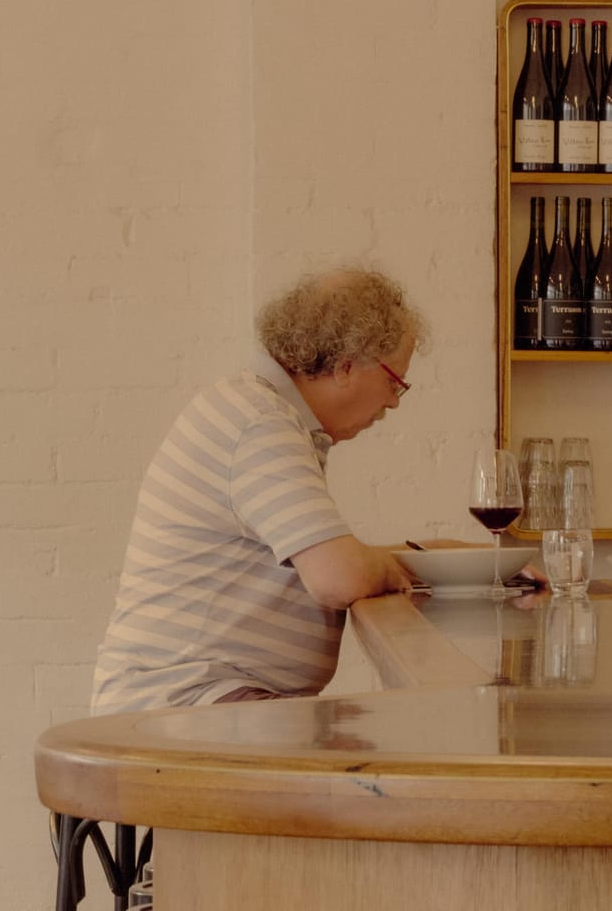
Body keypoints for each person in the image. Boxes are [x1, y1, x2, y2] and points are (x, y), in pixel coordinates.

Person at [91, 267, 424, 712]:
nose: (392, 402)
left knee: (384, 749)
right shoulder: (260, 423)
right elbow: (338, 577)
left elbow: (338, 559)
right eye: (393, 382)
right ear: (347, 365)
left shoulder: (254, 408)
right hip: (186, 708)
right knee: (395, 758)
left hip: (204, 701)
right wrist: (387, 568)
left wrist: (461, 562)